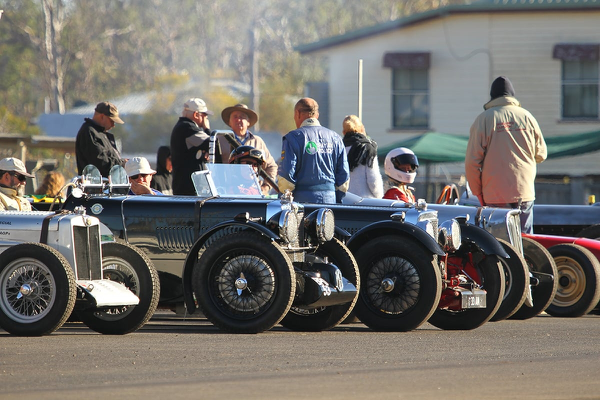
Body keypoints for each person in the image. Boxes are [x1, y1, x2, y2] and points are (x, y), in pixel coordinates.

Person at [465, 76, 547, 234]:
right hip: (524, 191)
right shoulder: (528, 117)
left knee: (500, 244)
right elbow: (541, 154)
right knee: (525, 243)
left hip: (494, 194)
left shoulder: (484, 120)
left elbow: (472, 163)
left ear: (492, 96)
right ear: (512, 96)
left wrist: (478, 193)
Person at [278, 98, 349, 204]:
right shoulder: (336, 138)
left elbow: (286, 179)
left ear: (297, 113)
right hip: (329, 201)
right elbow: (344, 179)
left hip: (302, 203)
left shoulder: (292, 138)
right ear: (317, 115)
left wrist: (283, 199)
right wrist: (336, 199)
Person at [219, 103, 277, 195]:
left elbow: (271, 166)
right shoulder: (219, 140)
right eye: (235, 117)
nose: (238, 119)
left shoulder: (258, 141)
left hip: (252, 193)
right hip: (228, 193)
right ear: (229, 122)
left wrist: (266, 187)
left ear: (248, 122)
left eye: (242, 117)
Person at [170, 98, 220, 195]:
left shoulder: (183, 127)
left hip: (185, 186)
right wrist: (207, 129)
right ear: (196, 114)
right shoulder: (188, 128)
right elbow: (213, 145)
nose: (206, 118)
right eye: (204, 115)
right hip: (189, 188)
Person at [76, 101, 126, 177]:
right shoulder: (89, 132)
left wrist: (122, 163)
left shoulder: (100, 134)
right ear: (102, 116)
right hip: (95, 185)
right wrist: (122, 164)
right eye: (112, 121)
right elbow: (101, 163)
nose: (113, 125)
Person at [342, 114, 384, 198]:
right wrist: (379, 197)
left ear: (343, 132)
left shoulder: (339, 147)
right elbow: (373, 180)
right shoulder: (368, 148)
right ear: (362, 128)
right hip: (365, 202)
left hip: (344, 200)